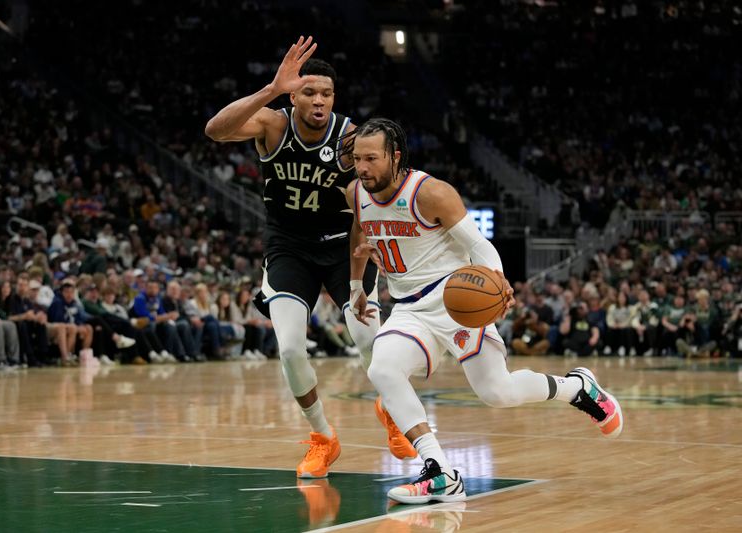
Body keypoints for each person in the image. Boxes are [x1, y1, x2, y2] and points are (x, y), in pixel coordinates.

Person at [345, 118, 624, 504]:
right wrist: (359, 286)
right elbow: (361, 232)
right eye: (357, 158)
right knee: (382, 368)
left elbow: (479, 245)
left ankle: (578, 388)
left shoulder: (431, 193)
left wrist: (500, 281)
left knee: (497, 392)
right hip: (408, 307)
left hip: (455, 301)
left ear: (394, 157)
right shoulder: (356, 192)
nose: (362, 167)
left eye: (371, 158)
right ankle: (440, 472)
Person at [205, 36, 410, 477]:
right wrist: (269, 90)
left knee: (369, 341)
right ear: (294, 94)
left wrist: (360, 274)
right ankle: (323, 438)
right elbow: (215, 131)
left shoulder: (352, 138)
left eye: (327, 93)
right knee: (292, 351)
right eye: (309, 92)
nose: (319, 100)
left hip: (341, 246)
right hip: (289, 246)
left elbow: (366, 203)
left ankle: (392, 410)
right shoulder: (273, 125)